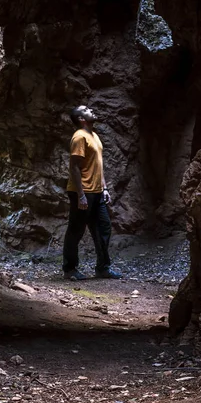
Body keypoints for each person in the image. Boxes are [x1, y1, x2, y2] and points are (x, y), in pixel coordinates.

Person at [62, 105, 122, 280]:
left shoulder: (94, 135)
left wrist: (104, 188)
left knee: (103, 228)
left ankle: (103, 268)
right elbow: (74, 167)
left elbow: (98, 165)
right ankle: (70, 269)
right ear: (81, 118)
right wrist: (80, 194)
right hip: (83, 191)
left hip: (96, 192)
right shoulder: (79, 137)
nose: (92, 110)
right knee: (76, 230)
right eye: (87, 109)